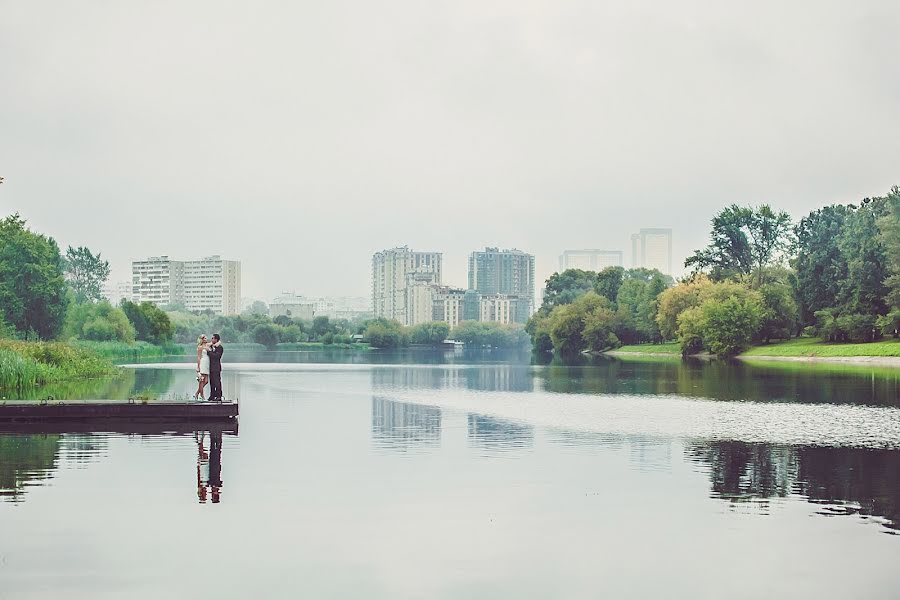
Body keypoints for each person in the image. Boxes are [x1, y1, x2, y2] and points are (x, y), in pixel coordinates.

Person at [208, 333, 224, 401]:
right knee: (212, 382)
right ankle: (212, 395)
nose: (211, 339)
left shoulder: (220, 347)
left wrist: (209, 352)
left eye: (212, 338)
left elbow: (216, 356)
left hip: (216, 368)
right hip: (211, 367)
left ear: (216, 339)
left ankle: (218, 396)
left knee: (217, 382)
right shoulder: (211, 346)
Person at [195, 335, 211, 401]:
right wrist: (198, 367)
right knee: (201, 380)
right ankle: (202, 395)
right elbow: (198, 357)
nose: (206, 339)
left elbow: (215, 343)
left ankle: (196, 393)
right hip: (203, 363)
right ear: (202, 339)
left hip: (207, 363)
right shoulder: (200, 347)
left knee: (206, 381)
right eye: (204, 338)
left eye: (206, 337)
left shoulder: (207, 345)